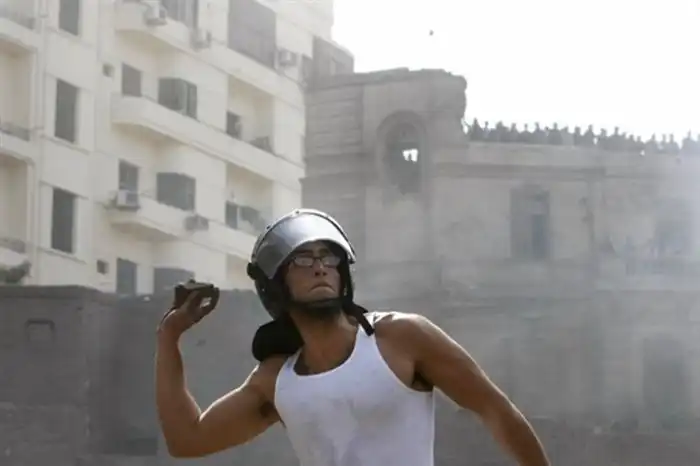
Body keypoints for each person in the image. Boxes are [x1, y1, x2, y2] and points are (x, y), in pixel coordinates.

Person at [156, 208, 550, 466]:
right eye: (303, 260)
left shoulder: (402, 337)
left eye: (329, 258)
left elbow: (495, 409)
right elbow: (187, 440)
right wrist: (169, 337)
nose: (320, 268)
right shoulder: (275, 380)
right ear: (275, 285)